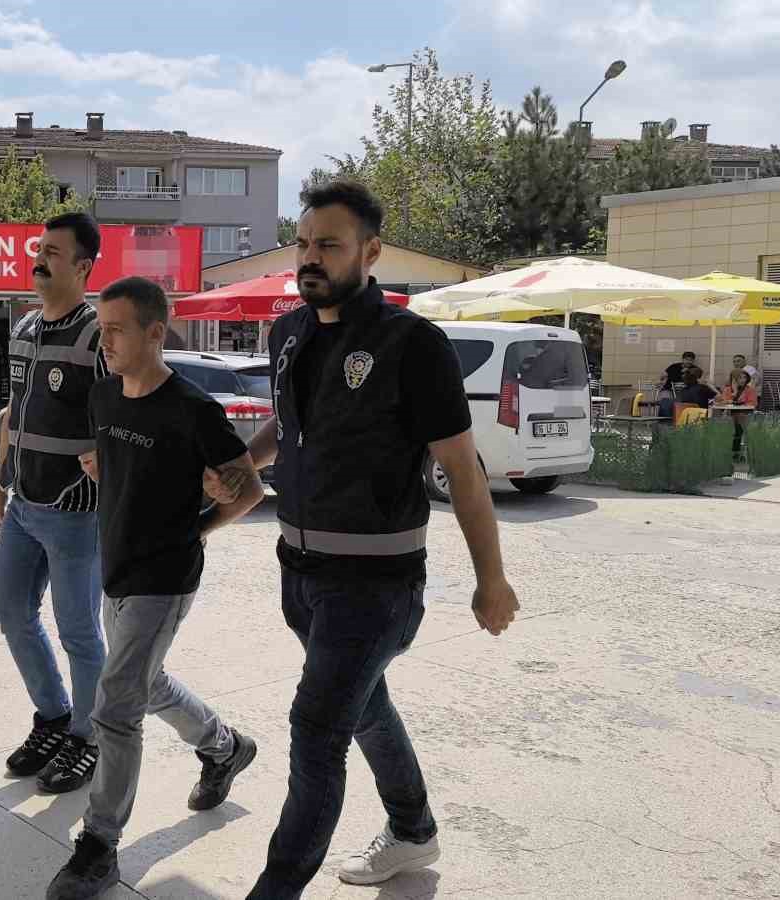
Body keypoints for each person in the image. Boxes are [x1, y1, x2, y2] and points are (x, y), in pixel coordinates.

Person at [214, 180, 519, 898]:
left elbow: (463, 472)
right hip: (298, 575)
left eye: (329, 245)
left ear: (371, 252)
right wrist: (242, 461)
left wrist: (490, 578)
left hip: (376, 587)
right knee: (365, 706)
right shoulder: (287, 333)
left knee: (317, 727)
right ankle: (413, 831)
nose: (310, 257)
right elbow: (288, 427)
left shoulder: (413, 344)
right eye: (303, 243)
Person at [47, 277, 265, 900]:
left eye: (116, 329)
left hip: (164, 577)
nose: (105, 340)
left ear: (155, 332)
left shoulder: (195, 409)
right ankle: (225, 747)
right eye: (101, 328)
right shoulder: (103, 397)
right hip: (113, 567)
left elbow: (247, 489)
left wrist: (199, 526)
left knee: (116, 703)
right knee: (146, 684)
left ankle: (99, 846)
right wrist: (102, 466)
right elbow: (118, 465)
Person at [0, 212, 109, 794]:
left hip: (77, 513)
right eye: (39, 249)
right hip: (22, 505)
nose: (40, 260)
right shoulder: (24, 330)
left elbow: (127, 409)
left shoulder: (97, 335)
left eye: (54, 252)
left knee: (80, 633)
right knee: (12, 613)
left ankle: (89, 738)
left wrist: (109, 457)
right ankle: (54, 717)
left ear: (84, 266)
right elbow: (13, 413)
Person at [719, 370, 760, 456]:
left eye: (744, 377)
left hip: (744, 415)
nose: (742, 380)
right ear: (733, 379)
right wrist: (734, 393)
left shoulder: (750, 390)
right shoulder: (727, 389)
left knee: (738, 428)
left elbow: (753, 404)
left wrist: (734, 402)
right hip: (729, 416)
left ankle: (737, 452)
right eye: (740, 377)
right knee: (727, 426)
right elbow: (723, 402)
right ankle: (729, 451)